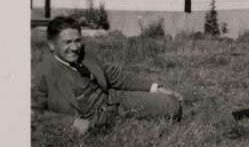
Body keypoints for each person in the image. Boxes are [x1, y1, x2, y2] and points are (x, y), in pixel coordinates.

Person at [32, 16, 183, 133]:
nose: (74, 47)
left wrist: (156, 88)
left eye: (77, 41)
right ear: (52, 44)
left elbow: (117, 76)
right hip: (90, 119)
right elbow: (34, 113)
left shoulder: (85, 54)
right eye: (67, 42)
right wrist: (70, 123)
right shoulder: (42, 72)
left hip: (114, 102)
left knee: (172, 105)